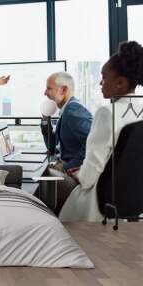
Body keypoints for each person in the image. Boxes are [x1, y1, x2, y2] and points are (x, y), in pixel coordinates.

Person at [60, 41, 143, 221]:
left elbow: (89, 176)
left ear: (120, 83)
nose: (100, 82)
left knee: (52, 190)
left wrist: (78, 173)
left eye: (104, 77)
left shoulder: (107, 112)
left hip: (98, 204)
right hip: (131, 200)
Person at [41, 72, 93, 172]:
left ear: (64, 90)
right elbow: (51, 146)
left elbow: (93, 143)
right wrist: (45, 119)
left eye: (49, 88)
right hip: (62, 164)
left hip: (74, 172)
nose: (45, 93)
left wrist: (66, 167)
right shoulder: (65, 111)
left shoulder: (72, 110)